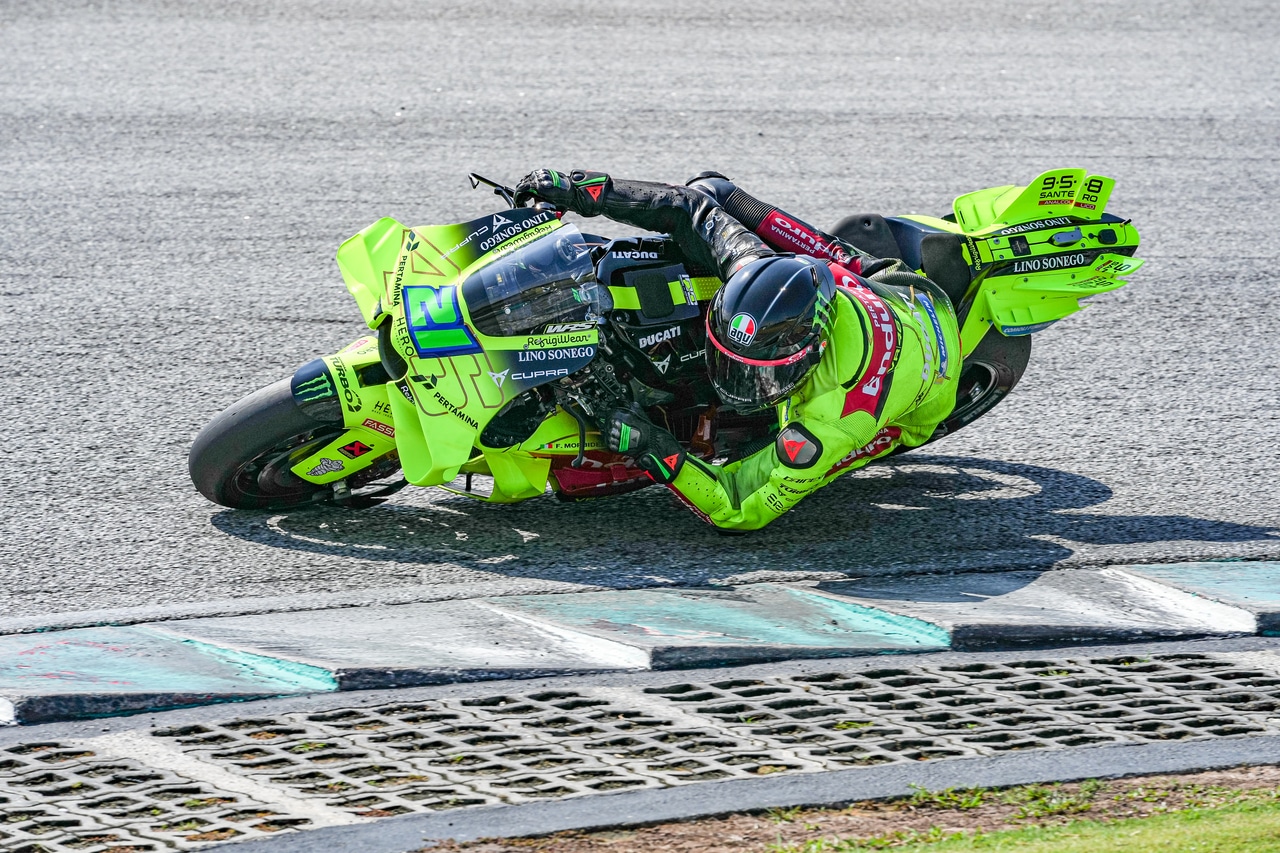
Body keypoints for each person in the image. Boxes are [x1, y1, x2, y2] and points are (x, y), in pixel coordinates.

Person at [514, 169, 961, 532]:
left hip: (921, 374)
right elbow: (689, 210)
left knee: (759, 458)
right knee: (711, 192)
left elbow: (738, 509)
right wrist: (585, 191)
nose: (733, 384)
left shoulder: (832, 422)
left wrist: (654, 447)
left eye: (758, 376)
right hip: (876, 285)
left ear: (812, 351)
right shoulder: (757, 267)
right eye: (729, 361)